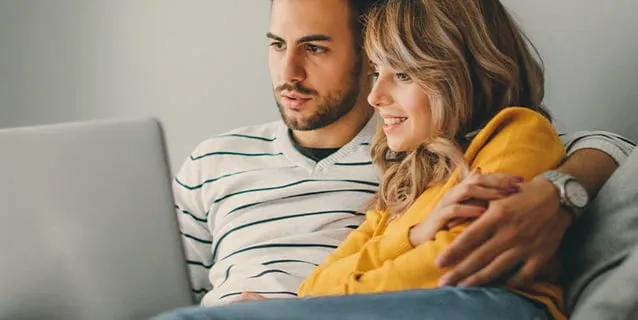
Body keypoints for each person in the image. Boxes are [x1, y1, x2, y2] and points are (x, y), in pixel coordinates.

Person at [172, 0, 634, 309]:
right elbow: (313, 287)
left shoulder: (480, 139)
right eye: (276, 45)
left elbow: (610, 149)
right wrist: (414, 233)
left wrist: (557, 193)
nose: (287, 72)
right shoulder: (404, 171)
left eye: (315, 48)